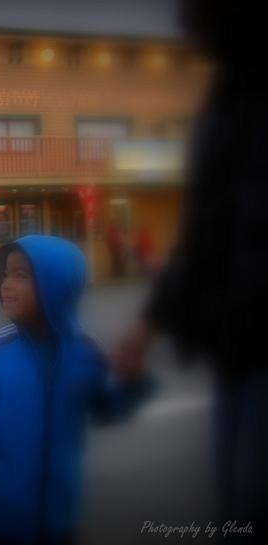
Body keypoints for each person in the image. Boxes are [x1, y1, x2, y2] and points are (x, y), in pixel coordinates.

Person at [113, 1, 267, 539]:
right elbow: (207, 231)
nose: (183, 21)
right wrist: (148, 323)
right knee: (237, 509)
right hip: (237, 352)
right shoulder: (226, 101)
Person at [0, 235, 154, 545]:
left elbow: (105, 408)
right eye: (6, 274)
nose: (6, 284)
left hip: (60, 515)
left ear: (57, 286)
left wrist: (132, 384)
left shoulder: (85, 353)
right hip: (1, 517)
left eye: (20, 275)